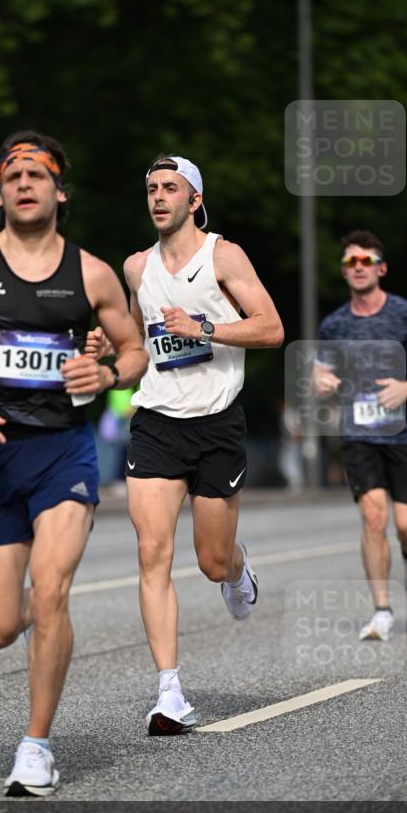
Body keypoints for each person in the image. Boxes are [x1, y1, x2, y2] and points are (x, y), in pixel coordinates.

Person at [0, 130, 148, 795]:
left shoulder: (91, 273)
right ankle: (38, 623)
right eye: (12, 175)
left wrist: (107, 375)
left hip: (63, 451)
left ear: (58, 192)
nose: (23, 183)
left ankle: (35, 747)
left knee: (50, 592)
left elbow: (134, 351)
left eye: (36, 174)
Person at [120, 155, 283, 735]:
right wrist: (107, 355)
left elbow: (272, 328)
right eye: (151, 188)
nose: (158, 197)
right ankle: (169, 694)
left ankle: (238, 571)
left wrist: (205, 328)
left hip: (216, 423)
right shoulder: (136, 267)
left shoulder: (224, 256)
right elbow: (136, 344)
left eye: (171, 188)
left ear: (195, 201)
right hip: (157, 423)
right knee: (151, 552)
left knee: (211, 561)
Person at [314, 230, 407, 641]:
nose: (358, 268)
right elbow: (320, 373)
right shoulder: (334, 324)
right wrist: (322, 382)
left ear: (381, 268)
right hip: (358, 433)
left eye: (366, 261)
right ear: (343, 271)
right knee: (374, 517)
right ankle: (382, 611)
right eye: (350, 262)